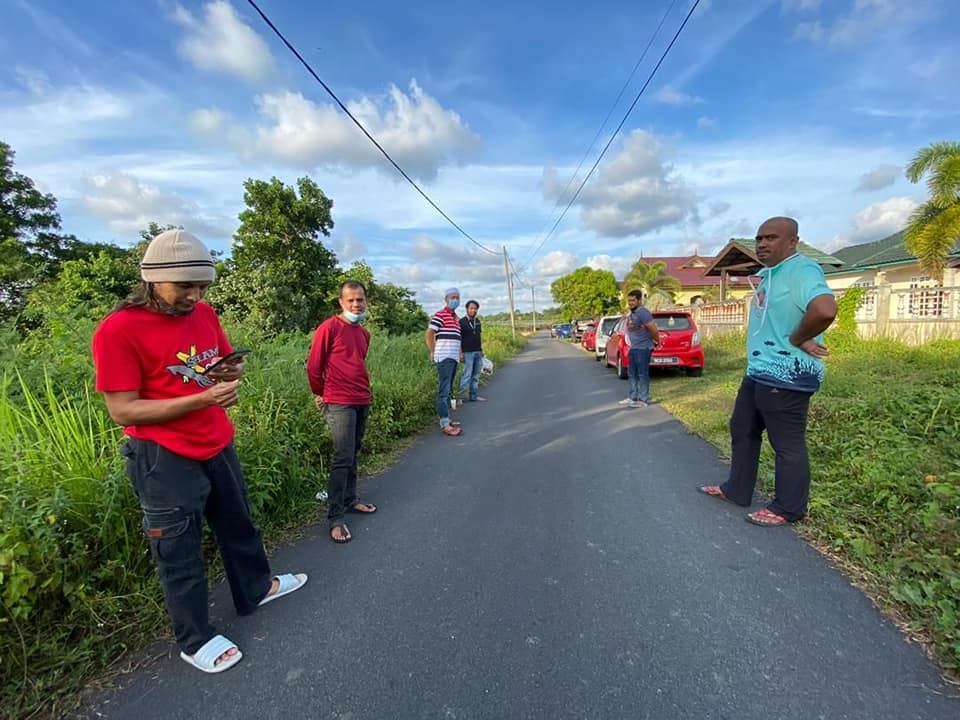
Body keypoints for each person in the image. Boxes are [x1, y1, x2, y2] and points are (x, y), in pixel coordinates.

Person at [91, 229, 307, 675]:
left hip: (216, 440)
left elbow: (223, 360)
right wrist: (201, 400)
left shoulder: (204, 312)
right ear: (153, 279)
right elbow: (123, 409)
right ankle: (195, 638)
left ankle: (256, 587)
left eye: (202, 285)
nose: (195, 295)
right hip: (161, 457)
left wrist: (231, 369)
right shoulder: (118, 329)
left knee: (239, 522)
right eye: (184, 286)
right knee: (179, 550)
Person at [699, 217, 837, 526]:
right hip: (760, 371)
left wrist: (799, 337)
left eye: (771, 238)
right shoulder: (770, 275)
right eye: (759, 238)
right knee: (742, 428)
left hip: (787, 374)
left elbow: (825, 308)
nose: (762, 244)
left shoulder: (802, 270)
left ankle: (789, 508)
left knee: (786, 443)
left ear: (792, 242)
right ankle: (737, 488)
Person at [307, 280, 378, 544]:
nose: (356, 304)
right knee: (342, 457)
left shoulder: (364, 333)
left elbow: (357, 363)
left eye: (360, 299)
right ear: (341, 302)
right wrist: (320, 393)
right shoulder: (329, 328)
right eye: (350, 300)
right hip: (338, 401)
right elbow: (314, 366)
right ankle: (335, 517)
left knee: (353, 452)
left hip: (362, 398)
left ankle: (350, 499)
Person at [425, 287, 463, 436]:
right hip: (444, 357)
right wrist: (432, 351)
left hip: (453, 358)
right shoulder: (440, 315)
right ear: (446, 299)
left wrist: (459, 352)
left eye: (457, 298)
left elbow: (457, 338)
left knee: (448, 390)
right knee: (444, 391)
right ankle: (444, 423)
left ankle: (447, 418)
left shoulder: (456, 319)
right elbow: (429, 333)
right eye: (452, 297)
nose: (455, 300)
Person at [619, 289, 660, 408]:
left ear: (639, 300)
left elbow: (653, 329)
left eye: (633, 300)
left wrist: (657, 341)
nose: (630, 303)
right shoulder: (633, 313)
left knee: (643, 374)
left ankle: (643, 400)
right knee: (632, 374)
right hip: (634, 347)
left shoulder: (643, 312)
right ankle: (633, 397)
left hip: (643, 348)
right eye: (629, 300)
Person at [458, 299, 486, 403]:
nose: (473, 310)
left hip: (478, 352)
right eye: (471, 308)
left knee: (476, 376)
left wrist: (481, 350)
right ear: (467, 309)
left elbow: (479, 336)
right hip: (467, 352)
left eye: (475, 309)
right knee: (467, 375)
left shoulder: (477, 321)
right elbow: (459, 338)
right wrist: (460, 353)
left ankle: (473, 396)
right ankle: (462, 397)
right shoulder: (461, 322)